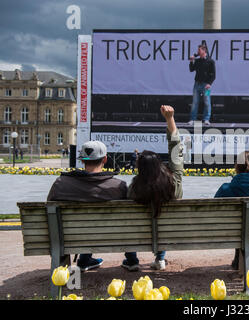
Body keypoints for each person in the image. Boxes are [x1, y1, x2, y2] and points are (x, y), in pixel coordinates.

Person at [47, 140, 127, 272]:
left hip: (70, 238)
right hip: (112, 236)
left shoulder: (60, 184)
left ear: (82, 161)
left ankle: (78, 266)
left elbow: (49, 212)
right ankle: (131, 260)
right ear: (105, 159)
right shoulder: (118, 187)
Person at [126, 105, 184, 271]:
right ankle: (160, 258)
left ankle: (132, 260)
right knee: (161, 220)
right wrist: (169, 119)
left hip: (137, 235)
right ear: (159, 165)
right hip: (167, 233)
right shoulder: (175, 185)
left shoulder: (133, 189)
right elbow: (176, 149)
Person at [188, 44, 216, 126]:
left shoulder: (210, 61)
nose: (198, 52)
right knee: (195, 102)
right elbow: (191, 69)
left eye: (199, 50)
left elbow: (213, 75)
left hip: (206, 86)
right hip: (197, 85)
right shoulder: (197, 61)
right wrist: (191, 61)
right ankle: (192, 119)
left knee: (207, 102)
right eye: (198, 50)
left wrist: (209, 84)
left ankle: (206, 119)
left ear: (204, 51)